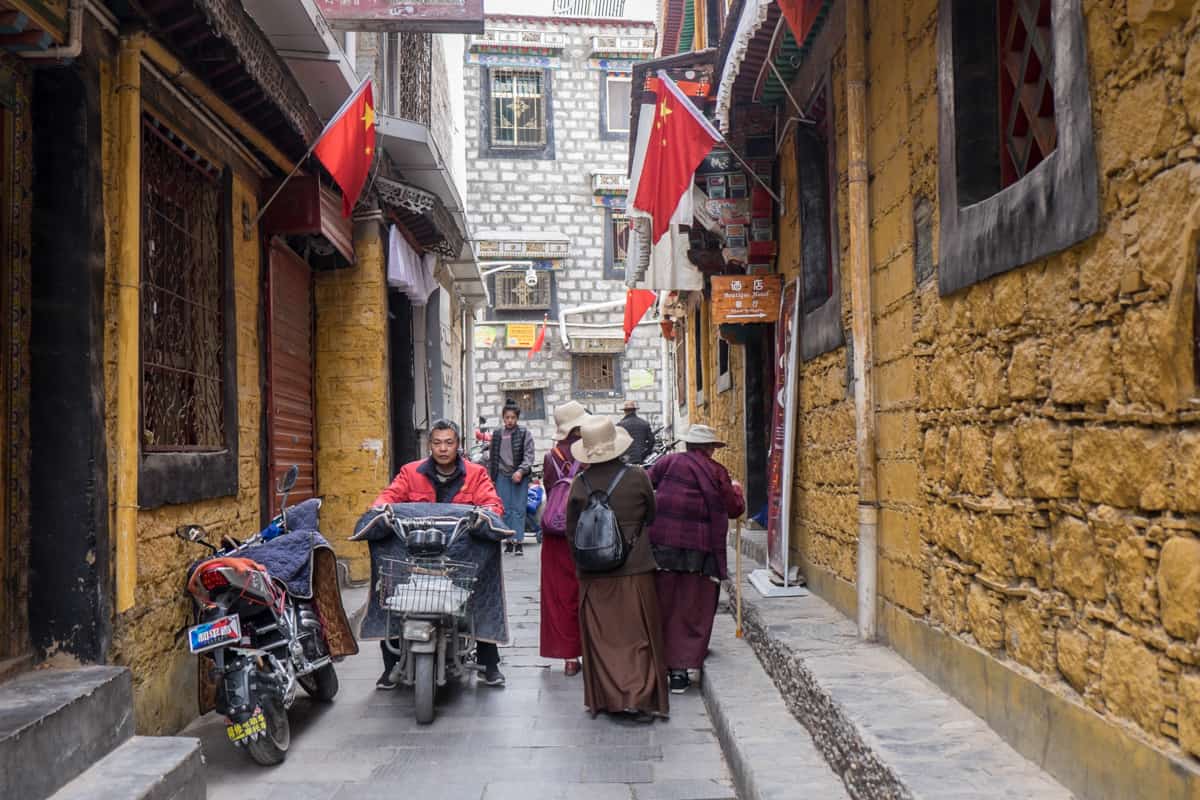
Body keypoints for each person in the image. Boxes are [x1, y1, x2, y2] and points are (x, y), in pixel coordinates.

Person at [372, 419, 509, 689]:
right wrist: (381, 510)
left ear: (458, 445)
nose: (443, 448)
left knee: (483, 585)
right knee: (387, 588)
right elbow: (388, 496)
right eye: (437, 443)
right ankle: (390, 664)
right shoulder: (410, 472)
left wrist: (486, 515)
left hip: (460, 554)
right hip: (415, 553)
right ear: (429, 445)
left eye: (449, 442)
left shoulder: (476, 473)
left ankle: (489, 662)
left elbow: (493, 503)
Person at [566, 415, 669, 722]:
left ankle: (611, 699)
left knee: (603, 639)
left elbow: (572, 531)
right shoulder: (637, 476)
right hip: (635, 570)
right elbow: (651, 514)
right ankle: (638, 696)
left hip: (595, 576)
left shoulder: (579, 484)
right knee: (638, 636)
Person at [646, 424, 745, 694]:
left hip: (662, 544)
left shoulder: (667, 462)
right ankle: (681, 669)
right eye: (712, 447)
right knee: (693, 606)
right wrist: (737, 489)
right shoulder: (716, 471)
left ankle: (661, 665)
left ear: (689, 445)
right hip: (699, 548)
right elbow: (735, 508)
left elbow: (646, 484)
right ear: (709, 448)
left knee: (664, 604)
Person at [539, 401, 590, 676]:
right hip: (587, 530)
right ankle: (593, 649)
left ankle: (570, 658)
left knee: (560, 596)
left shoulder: (551, 457)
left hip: (557, 534)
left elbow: (551, 490)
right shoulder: (591, 453)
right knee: (587, 591)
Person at [490, 400, 536, 555]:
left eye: (513, 418)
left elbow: (529, 456)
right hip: (502, 476)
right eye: (507, 417)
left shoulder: (524, 433)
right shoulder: (497, 434)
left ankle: (519, 542)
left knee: (518, 510)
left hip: (518, 477)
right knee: (505, 510)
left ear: (517, 418)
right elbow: (493, 457)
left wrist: (521, 471)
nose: (510, 420)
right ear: (503, 418)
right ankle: (509, 541)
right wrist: (492, 477)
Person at [616, 400, 655, 465]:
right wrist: (645, 454)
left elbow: (617, 443)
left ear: (625, 411)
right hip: (640, 458)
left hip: (625, 459)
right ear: (635, 410)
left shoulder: (620, 425)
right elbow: (652, 441)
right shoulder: (644, 423)